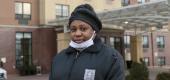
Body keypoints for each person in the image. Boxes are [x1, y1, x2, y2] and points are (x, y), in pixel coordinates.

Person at [49, 4, 125, 80]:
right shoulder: (59, 59)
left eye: (83, 29)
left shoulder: (111, 58)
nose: (77, 34)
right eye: (73, 29)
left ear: (94, 31)